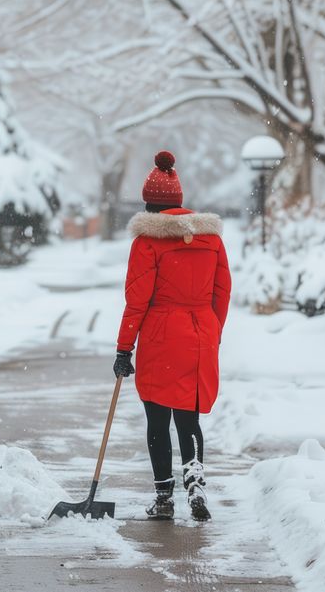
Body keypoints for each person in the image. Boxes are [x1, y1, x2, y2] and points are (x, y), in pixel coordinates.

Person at [113, 150, 231, 522]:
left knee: (157, 419)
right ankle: (195, 482)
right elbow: (222, 291)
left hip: (161, 337)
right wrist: (213, 330)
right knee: (189, 417)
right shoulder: (210, 239)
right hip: (199, 335)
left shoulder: (147, 242)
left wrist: (123, 348)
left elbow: (137, 300)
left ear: (149, 206)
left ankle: (164, 497)